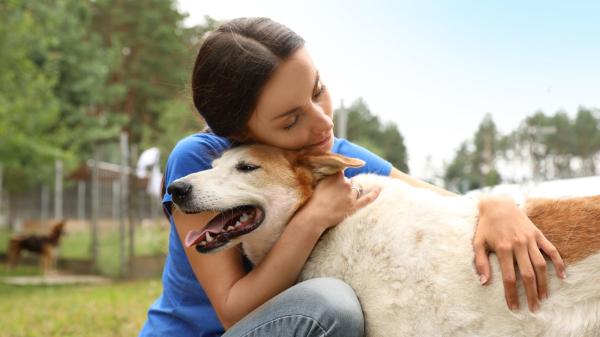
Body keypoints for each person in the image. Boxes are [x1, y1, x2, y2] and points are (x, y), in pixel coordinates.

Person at [139, 17, 566, 337]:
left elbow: (444, 201)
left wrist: (496, 205)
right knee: (332, 306)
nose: (323, 121)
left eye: (318, 89)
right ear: (239, 134)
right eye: (291, 120)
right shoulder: (199, 160)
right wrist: (313, 218)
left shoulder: (328, 151)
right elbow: (233, 311)